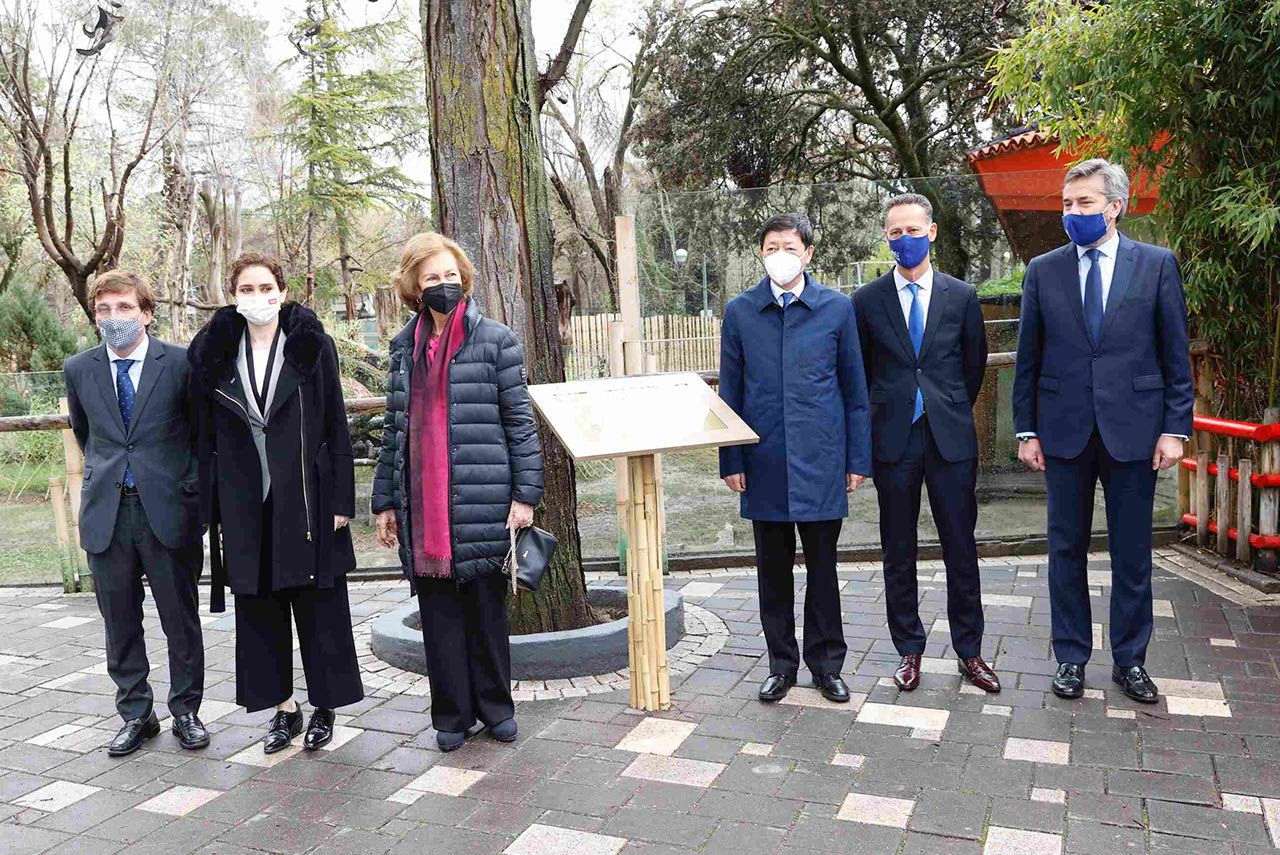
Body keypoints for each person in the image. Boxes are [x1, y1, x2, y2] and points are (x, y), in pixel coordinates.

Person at [1013, 158, 1192, 703]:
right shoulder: (1044, 270)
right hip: (1063, 430)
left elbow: (1173, 354)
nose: (1072, 213)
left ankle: (1130, 661)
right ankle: (1070, 658)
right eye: (1067, 204)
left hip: (1134, 431)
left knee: (1132, 552)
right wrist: (1025, 431)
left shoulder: (1157, 265)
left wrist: (1174, 429)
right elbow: (1028, 357)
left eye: (1084, 203)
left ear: (1115, 207)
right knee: (1064, 549)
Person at [371, 232, 543, 752]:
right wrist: (383, 499)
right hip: (422, 504)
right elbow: (393, 429)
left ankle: (496, 708)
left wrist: (525, 493)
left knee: (487, 611)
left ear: (463, 277)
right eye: (431, 278)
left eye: (449, 275)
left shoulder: (496, 340)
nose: (443, 285)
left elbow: (520, 421)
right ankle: (451, 715)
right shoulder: (404, 349)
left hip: (483, 495)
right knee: (439, 617)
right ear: (413, 287)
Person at [189, 252, 363, 752]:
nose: (258, 297)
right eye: (246, 288)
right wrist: (210, 507)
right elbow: (203, 435)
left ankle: (325, 707)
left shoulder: (312, 346)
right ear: (234, 295)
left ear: (282, 291)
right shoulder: (216, 354)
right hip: (246, 502)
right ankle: (284, 708)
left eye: (266, 287)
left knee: (318, 605)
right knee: (260, 609)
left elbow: (335, 424)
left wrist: (342, 500)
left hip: (308, 497)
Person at [718, 212, 872, 704]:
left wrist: (856, 458)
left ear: (807, 252)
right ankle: (780, 665)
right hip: (763, 461)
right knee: (773, 571)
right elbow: (731, 393)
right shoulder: (741, 312)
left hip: (822, 460)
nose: (780, 255)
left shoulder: (836, 309)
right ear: (760, 255)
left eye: (789, 246)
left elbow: (855, 391)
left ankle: (827, 666)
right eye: (770, 247)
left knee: (823, 570)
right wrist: (732, 459)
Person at [853, 194, 998, 694]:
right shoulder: (867, 301)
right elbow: (862, 372)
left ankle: (970, 652)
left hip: (950, 438)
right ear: (887, 238)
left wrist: (945, 407)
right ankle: (908, 650)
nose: (904, 239)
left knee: (961, 545)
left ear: (932, 232)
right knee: (898, 548)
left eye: (913, 230)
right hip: (893, 441)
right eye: (895, 233)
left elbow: (973, 366)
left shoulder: (961, 296)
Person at [63, 270, 209, 757]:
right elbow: (89, 436)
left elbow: (198, 436)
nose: (114, 318)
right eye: (104, 310)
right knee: (119, 621)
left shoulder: (183, 364)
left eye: (124, 308)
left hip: (168, 512)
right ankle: (136, 714)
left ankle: (186, 710)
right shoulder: (79, 369)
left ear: (146, 313)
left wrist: (189, 492)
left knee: (179, 619)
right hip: (108, 513)